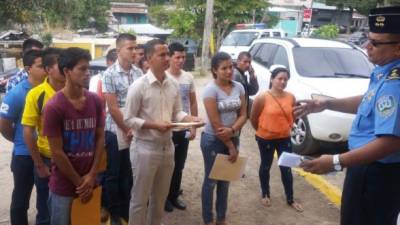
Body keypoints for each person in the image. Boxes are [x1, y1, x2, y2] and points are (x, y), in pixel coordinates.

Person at [295, 6, 400, 225]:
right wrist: (327, 104)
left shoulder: (395, 83)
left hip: (376, 173)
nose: (366, 46)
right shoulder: (386, 70)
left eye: (375, 43)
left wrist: (335, 162)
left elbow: (391, 142)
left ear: (398, 48)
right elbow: (368, 100)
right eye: (368, 39)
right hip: (368, 167)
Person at [124, 38, 201, 225]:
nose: (167, 58)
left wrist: (190, 119)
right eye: (162, 54)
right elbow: (128, 119)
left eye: (168, 54)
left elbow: (177, 112)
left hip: (168, 147)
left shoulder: (172, 84)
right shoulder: (139, 86)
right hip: (144, 148)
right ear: (149, 59)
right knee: (140, 200)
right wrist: (154, 125)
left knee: (160, 198)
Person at [42, 47, 105, 225]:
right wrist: (80, 183)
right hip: (64, 185)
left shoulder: (95, 101)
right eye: (82, 69)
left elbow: (100, 139)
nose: (88, 73)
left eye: (88, 68)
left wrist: (92, 175)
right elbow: (57, 152)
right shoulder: (54, 107)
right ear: (67, 71)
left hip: (90, 180)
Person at [0, 49, 46, 225]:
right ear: (28, 69)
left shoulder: (51, 90)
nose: (45, 70)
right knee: (21, 199)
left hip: (46, 154)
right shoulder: (17, 94)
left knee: (45, 199)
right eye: (41, 66)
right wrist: (20, 141)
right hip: (24, 155)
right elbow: (4, 125)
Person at [200, 52, 247, 225]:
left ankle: (221, 218)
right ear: (215, 70)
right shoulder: (210, 90)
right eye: (224, 68)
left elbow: (244, 114)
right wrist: (231, 147)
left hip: (233, 137)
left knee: (225, 180)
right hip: (213, 140)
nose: (229, 71)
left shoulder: (239, 87)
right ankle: (208, 220)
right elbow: (215, 123)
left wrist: (233, 130)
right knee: (211, 181)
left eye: (231, 67)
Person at [20, 48, 65, 225]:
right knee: (45, 210)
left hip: (74, 159)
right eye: (60, 65)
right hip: (48, 160)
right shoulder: (36, 94)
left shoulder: (77, 91)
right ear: (48, 69)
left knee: (71, 209)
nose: (66, 68)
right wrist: (39, 164)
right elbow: (28, 131)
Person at [250, 67, 303, 212]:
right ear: (272, 79)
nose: (283, 81)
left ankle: (290, 198)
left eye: (285, 79)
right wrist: (263, 130)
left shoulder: (290, 97)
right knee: (266, 165)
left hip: (284, 138)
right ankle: (265, 193)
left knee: (286, 168)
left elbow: (293, 115)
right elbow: (253, 118)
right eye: (279, 78)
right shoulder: (262, 97)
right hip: (265, 138)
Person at [102, 34, 142, 224]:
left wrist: (135, 127)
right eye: (130, 48)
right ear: (119, 51)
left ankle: (127, 209)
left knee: (129, 171)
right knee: (114, 173)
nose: (134, 52)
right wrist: (127, 128)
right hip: (115, 129)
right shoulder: (109, 74)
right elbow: (112, 107)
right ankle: (114, 212)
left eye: (135, 48)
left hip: (134, 127)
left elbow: (141, 102)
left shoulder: (138, 73)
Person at [164, 42, 198, 212]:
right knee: (165, 166)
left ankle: (174, 195)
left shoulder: (188, 77)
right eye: (177, 57)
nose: (181, 60)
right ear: (169, 57)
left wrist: (193, 126)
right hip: (166, 129)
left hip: (183, 128)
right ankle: (163, 198)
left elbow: (192, 102)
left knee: (179, 165)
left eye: (183, 57)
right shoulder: (162, 76)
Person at [233, 51, 259, 117]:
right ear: (238, 61)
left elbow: (252, 91)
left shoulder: (241, 74)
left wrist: (252, 75)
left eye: (249, 62)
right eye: (245, 62)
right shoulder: (235, 75)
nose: (247, 65)